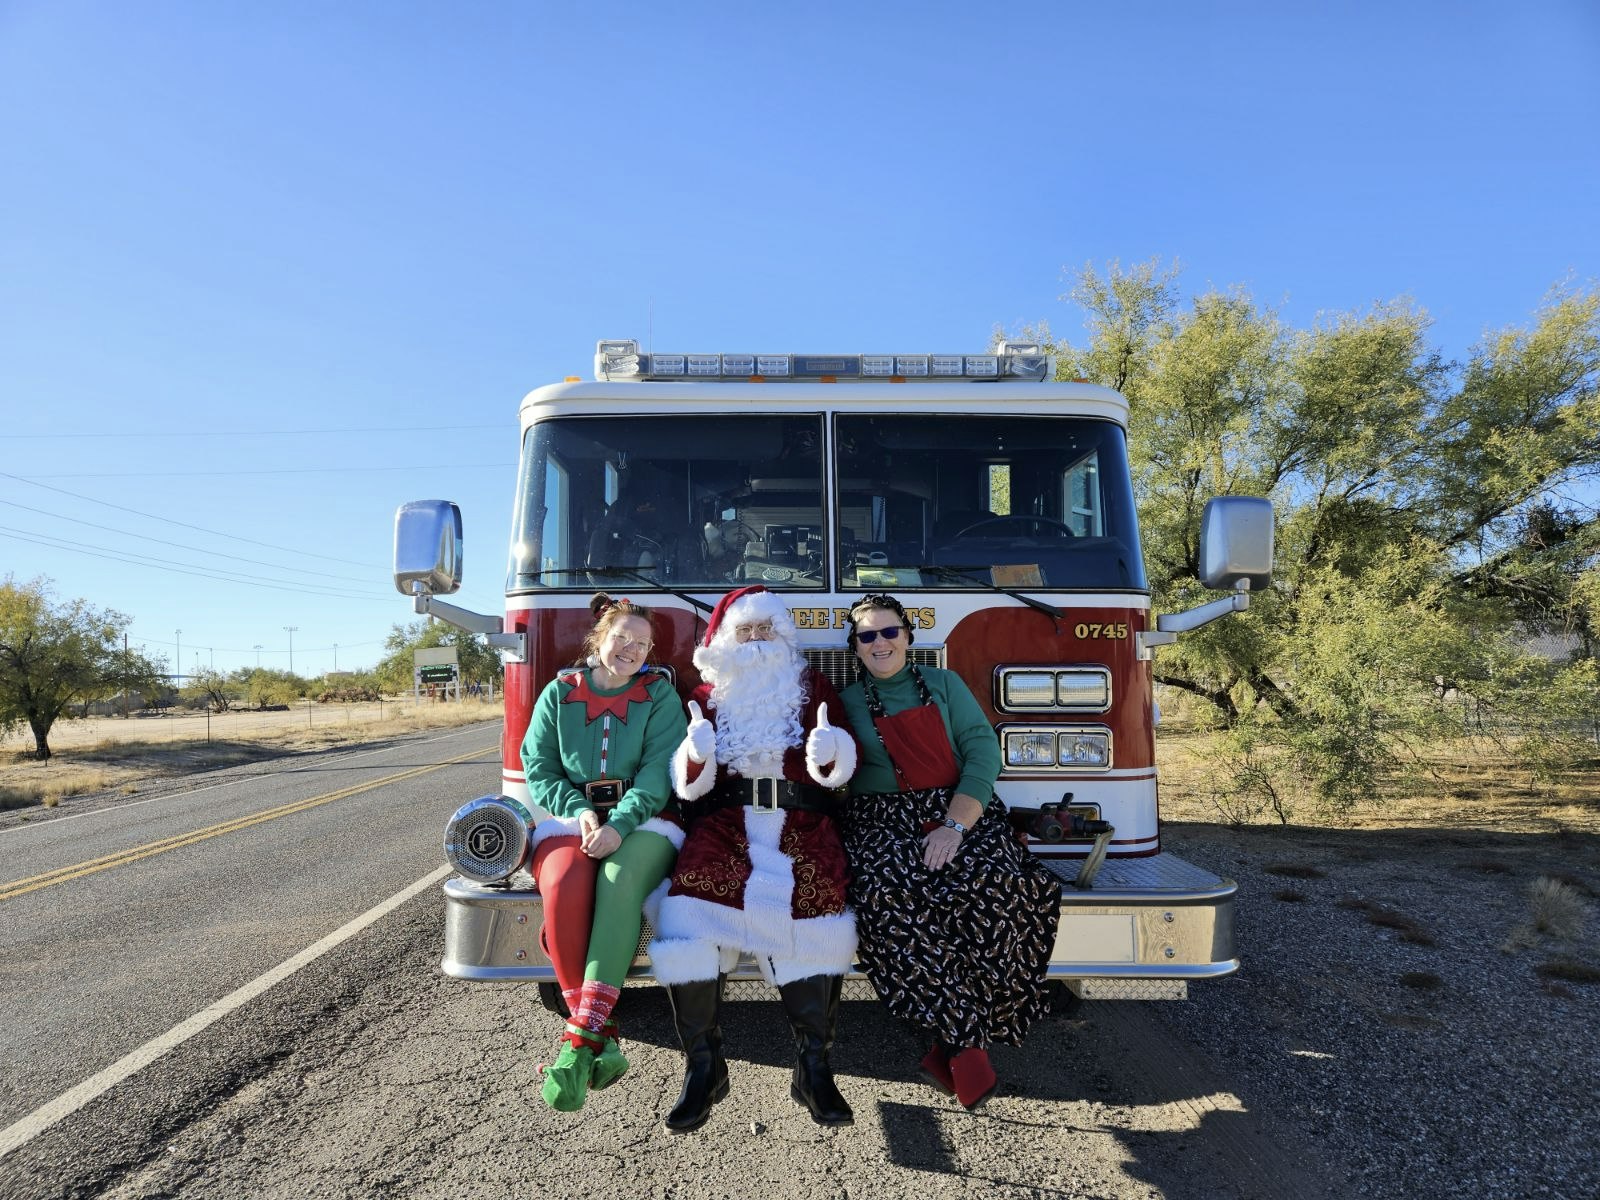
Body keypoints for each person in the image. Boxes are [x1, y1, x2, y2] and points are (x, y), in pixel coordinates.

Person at [836, 593, 1061, 1111]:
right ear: (856, 647)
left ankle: (954, 1040)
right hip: (879, 820)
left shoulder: (945, 684)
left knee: (999, 885)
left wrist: (954, 826)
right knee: (886, 894)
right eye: (867, 636)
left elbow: (983, 751)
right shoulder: (845, 704)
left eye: (889, 631)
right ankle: (963, 1041)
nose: (879, 643)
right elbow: (834, 773)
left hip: (956, 810)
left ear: (907, 637)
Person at [648, 584, 860, 1132]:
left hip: (803, 820)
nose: (757, 639)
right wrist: (695, 756)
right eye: (745, 630)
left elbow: (843, 765)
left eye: (766, 628)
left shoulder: (812, 686)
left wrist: (831, 753)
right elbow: (688, 785)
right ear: (726, 640)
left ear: (781, 634)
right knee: (687, 911)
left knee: (817, 908)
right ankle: (703, 1066)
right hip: (724, 824)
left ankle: (813, 1067)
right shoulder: (704, 694)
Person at [520, 593, 688, 1112]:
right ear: (600, 638)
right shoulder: (558, 693)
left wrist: (619, 824)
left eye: (642, 644)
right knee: (564, 881)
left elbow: (660, 770)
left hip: (645, 819)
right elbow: (539, 766)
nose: (631, 650)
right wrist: (580, 811)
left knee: (617, 879)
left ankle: (578, 1043)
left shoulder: (659, 696)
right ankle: (599, 1037)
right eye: (622, 638)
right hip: (571, 818)